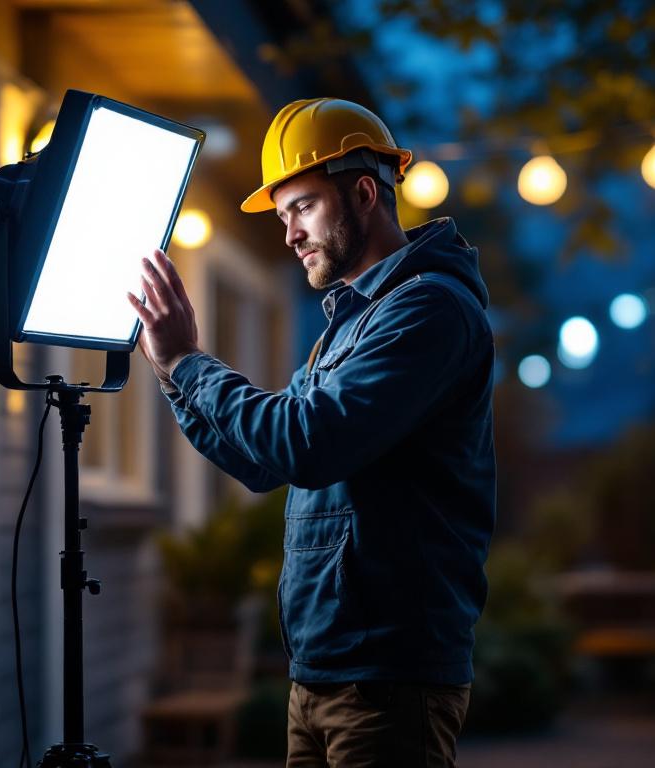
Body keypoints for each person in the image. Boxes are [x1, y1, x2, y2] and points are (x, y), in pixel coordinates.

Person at [126, 98, 496, 767]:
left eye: (300, 207)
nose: (289, 234)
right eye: (281, 216)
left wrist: (191, 361)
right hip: (322, 669)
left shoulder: (429, 311)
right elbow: (265, 463)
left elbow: (307, 443)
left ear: (362, 193)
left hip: (388, 675)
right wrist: (172, 376)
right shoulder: (348, 325)